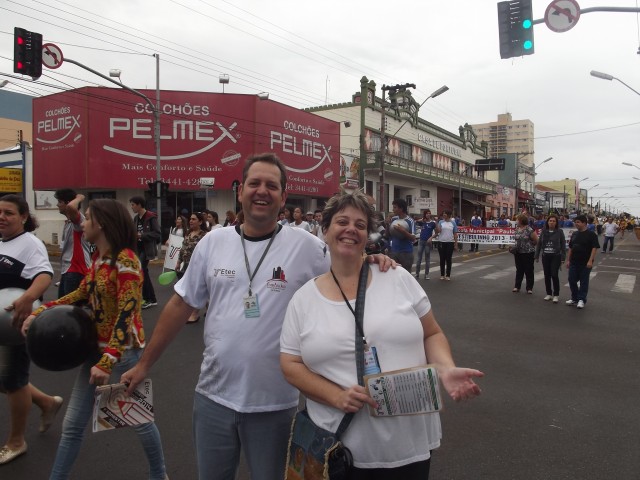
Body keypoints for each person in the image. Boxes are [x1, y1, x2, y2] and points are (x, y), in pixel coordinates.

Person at [120, 153, 393, 480]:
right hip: (212, 397)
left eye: (271, 186)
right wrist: (144, 364)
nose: (262, 191)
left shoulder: (308, 248)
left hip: (275, 405)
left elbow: (346, 274)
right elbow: (181, 305)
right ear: (240, 191)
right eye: (255, 183)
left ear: (283, 197)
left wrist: (372, 261)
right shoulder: (213, 243)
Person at [280, 191, 483, 479]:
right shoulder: (303, 299)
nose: (351, 229)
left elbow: (432, 333)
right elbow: (290, 364)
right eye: (342, 222)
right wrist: (335, 396)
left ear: (368, 235)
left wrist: (445, 368)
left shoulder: (397, 277)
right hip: (337, 447)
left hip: (408, 443)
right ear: (325, 230)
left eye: (360, 225)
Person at [23, 199, 168, 479]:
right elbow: (79, 295)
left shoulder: (126, 260)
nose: (83, 223)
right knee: (72, 426)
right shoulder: (101, 259)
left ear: (101, 224)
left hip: (123, 354)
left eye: (88, 218)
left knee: (139, 421)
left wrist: (108, 359)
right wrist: (40, 312)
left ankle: (159, 474)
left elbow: (127, 311)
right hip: (96, 351)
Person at [0, 195, 62, 465]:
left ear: (24, 217)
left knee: (14, 380)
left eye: (8, 213)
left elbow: (45, 275)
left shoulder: (30, 244)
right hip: (0, 324)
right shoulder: (2, 242)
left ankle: (16, 442)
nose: (2, 217)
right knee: (6, 380)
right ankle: (46, 402)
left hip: (16, 323)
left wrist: (27, 298)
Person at [54, 189, 92, 297]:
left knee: (70, 306)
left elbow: (71, 207)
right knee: (62, 305)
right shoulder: (68, 222)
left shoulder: (78, 221)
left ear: (67, 203)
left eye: (60, 202)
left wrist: (79, 198)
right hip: (67, 271)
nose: (57, 205)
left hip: (76, 271)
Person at [175, 212, 209, 324]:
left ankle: (194, 313)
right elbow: (183, 248)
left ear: (200, 222)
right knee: (192, 288)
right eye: (190, 219)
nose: (191, 221)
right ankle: (208, 308)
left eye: (194, 219)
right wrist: (178, 262)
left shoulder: (205, 235)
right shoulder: (188, 233)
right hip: (187, 266)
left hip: (200, 267)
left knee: (197, 289)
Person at [129, 196, 161, 309]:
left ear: (139, 205)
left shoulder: (151, 217)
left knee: (142, 271)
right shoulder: (136, 218)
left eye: (133, 205)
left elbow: (157, 233)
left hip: (146, 249)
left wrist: (141, 235)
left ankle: (149, 299)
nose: (132, 207)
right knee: (143, 272)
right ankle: (150, 298)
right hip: (138, 249)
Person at [566, 214, 600, 309]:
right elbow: (571, 247)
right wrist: (568, 260)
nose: (576, 224)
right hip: (574, 262)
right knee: (571, 280)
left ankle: (581, 299)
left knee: (583, 281)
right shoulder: (574, 234)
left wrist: (590, 261)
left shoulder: (591, 234)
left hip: (585, 262)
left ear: (584, 223)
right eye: (575, 222)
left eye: (578, 222)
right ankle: (574, 298)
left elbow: (594, 248)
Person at [535, 214, 566, 303]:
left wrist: (563, 257)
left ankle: (556, 294)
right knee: (547, 275)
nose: (552, 222)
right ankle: (548, 293)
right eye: (550, 221)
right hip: (546, 256)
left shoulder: (559, 232)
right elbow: (539, 244)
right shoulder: (544, 231)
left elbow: (563, 245)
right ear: (547, 222)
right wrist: (537, 255)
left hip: (556, 256)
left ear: (556, 223)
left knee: (554, 274)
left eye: (554, 221)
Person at [511, 214, 538, 294]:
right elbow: (516, 240)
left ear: (521, 220)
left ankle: (529, 288)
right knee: (519, 270)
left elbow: (536, 240)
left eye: (517, 220)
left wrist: (529, 245)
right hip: (518, 252)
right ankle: (517, 286)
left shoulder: (529, 230)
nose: (516, 221)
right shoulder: (517, 229)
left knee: (528, 270)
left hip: (528, 253)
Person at [387, 198, 416, 272]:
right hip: (394, 251)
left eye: (395, 207)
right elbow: (388, 234)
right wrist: (387, 224)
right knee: (393, 273)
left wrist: (403, 231)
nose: (393, 209)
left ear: (401, 208)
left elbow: (413, 238)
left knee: (405, 273)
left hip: (406, 252)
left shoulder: (410, 221)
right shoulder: (393, 219)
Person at [435, 211, 458, 281]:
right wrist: (436, 223)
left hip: (450, 242)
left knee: (448, 259)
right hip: (441, 242)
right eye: (443, 213)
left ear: (449, 215)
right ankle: (442, 274)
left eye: (445, 213)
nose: (444, 215)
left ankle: (448, 275)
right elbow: (438, 231)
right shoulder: (441, 222)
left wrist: (456, 244)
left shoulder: (453, 223)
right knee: (442, 259)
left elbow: (455, 234)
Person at [415, 209, 436, 280]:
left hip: (428, 242)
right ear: (425, 214)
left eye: (429, 213)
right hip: (421, 241)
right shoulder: (422, 222)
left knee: (427, 259)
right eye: (427, 213)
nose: (428, 214)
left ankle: (426, 274)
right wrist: (420, 219)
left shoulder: (433, 223)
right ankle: (417, 273)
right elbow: (415, 222)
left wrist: (431, 238)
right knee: (419, 258)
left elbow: (437, 232)